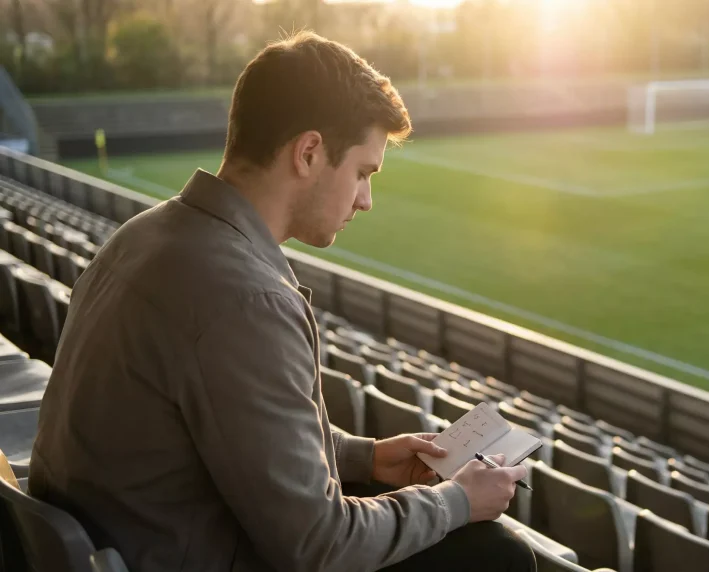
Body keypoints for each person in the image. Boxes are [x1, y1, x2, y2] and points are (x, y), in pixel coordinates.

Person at [29, 31, 535, 572]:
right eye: (363, 173)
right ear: (309, 152)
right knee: (495, 553)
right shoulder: (247, 300)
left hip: (125, 539)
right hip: (176, 552)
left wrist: (366, 456)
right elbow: (321, 547)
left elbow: (218, 432)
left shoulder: (140, 236)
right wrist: (456, 500)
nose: (365, 200)